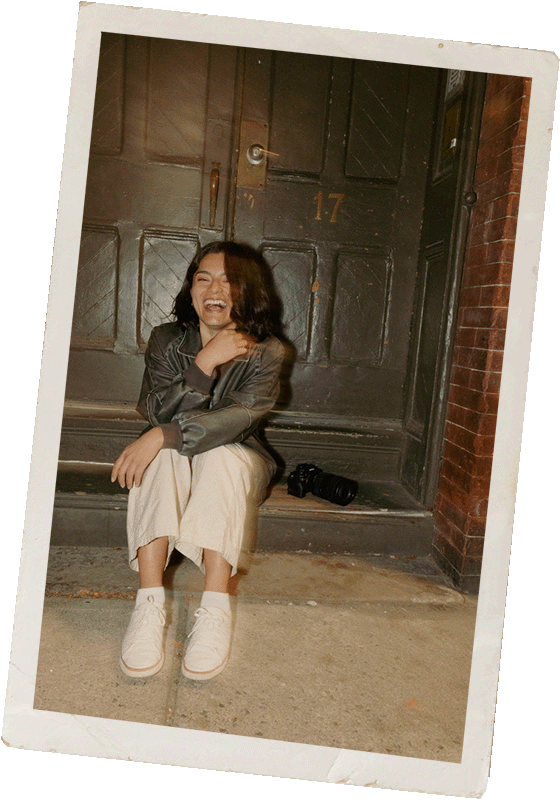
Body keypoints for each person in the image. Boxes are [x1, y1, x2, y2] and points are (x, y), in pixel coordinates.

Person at [111, 241, 284, 681]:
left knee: (218, 456)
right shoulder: (167, 340)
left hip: (239, 457)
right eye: (203, 278)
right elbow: (157, 411)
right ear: (190, 290)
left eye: (229, 280)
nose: (215, 289)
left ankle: (215, 608)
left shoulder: (267, 350)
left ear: (248, 291)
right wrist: (204, 362)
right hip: (177, 459)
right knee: (160, 458)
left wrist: (164, 434)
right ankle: (149, 604)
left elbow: (239, 419)